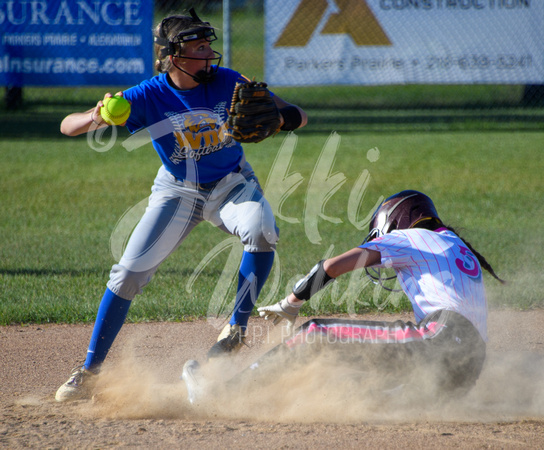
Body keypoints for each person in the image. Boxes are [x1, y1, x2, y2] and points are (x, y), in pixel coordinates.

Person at [55, 8, 307, 402]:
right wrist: (98, 113)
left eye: (209, 45)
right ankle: (90, 371)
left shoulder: (229, 81)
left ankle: (235, 331)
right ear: (174, 57)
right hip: (179, 191)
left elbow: (298, 115)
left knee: (261, 229)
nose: (209, 54)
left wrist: (282, 118)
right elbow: (67, 126)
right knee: (127, 275)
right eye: (200, 47)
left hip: (231, 183)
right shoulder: (147, 94)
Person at [257, 190, 504, 395]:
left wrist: (291, 302)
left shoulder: (410, 237)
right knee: (361, 393)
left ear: (394, 222)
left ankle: (234, 389)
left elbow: (330, 267)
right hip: (465, 371)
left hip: (441, 339)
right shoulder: (457, 245)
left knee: (315, 333)